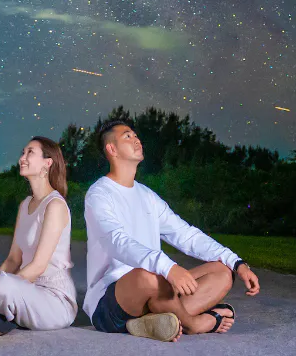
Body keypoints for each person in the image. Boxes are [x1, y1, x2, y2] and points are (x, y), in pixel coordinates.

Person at [84, 118, 260, 341]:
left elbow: (186, 235)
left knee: (222, 272)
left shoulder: (147, 196)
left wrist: (237, 262)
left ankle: (156, 320)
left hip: (158, 285)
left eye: (136, 135)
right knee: (149, 277)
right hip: (111, 302)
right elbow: (117, 242)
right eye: (127, 136)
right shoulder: (99, 194)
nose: (136, 139)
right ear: (111, 149)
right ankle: (192, 323)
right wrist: (167, 267)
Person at [0, 136, 77, 334]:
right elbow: (12, 259)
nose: (22, 158)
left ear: (47, 163)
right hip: (22, 286)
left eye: (30, 153)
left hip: (53, 299)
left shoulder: (55, 205)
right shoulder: (25, 205)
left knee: (4, 285)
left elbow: (38, 266)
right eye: (23, 153)